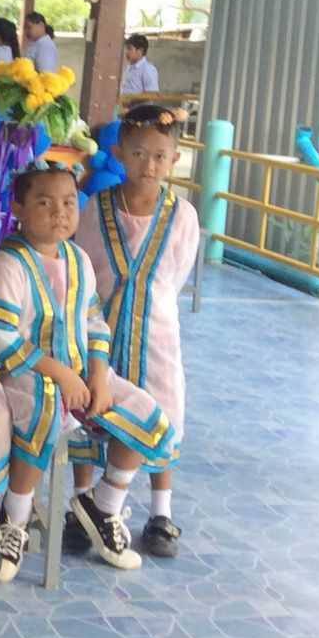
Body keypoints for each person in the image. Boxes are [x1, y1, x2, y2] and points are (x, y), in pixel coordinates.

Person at [0, 160, 177, 578]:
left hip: (81, 373)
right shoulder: (7, 264)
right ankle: (15, 518)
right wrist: (60, 375)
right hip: (26, 374)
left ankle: (102, 505)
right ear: (19, 208)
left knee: (143, 412)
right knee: (42, 413)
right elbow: (1, 337)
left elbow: (94, 322)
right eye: (45, 203)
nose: (59, 213)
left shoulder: (78, 259)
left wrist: (97, 374)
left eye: (68, 202)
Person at [74, 104, 199, 558]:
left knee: (163, 408)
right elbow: (85, 266)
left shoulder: (183, 215)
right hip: (102, 329)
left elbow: (177, 272)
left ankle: (160, 511)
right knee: (94, 411)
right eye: (139, 153)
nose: (149, 164)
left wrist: (148, 298)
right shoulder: (97, 207)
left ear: (175, 159)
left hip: (157, 332)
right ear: (120, 153)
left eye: (160, 156)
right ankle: (82, 503)